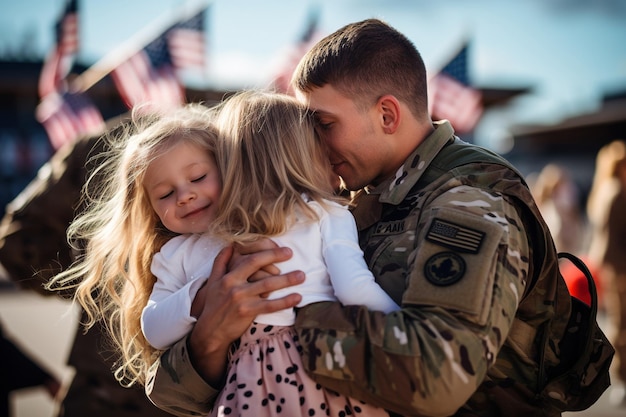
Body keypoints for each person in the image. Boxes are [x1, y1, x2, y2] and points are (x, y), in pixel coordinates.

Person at [145, 19, 587, 417]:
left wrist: (289, 315)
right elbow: (169, 393)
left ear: (387, 114)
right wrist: (210, 336)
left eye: (324, 123)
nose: (312, 141)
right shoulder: (345, 200)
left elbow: (435, 378)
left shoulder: (469, 201)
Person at [140, 90, 398, 416]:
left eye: (199, 177)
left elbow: (156, 332)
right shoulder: (323, 213)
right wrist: (408, 327)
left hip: (250, 380)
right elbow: (354, 288)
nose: (185, 196)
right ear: (304, 157)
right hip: (324, 365)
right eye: (165, 194)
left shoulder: (224, 235)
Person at [0, 115, 174, 417]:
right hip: (222, 393)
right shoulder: (240, 143)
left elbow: (15, 245)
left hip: (107, 389)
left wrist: (103, 282)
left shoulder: (105, 143)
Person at [586, 139, 626, 406]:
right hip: (620, 267)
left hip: (613, 265)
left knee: (618, 320)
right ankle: (621, 376)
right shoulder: (618, 191)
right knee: (621, 323)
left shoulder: (605, 189)